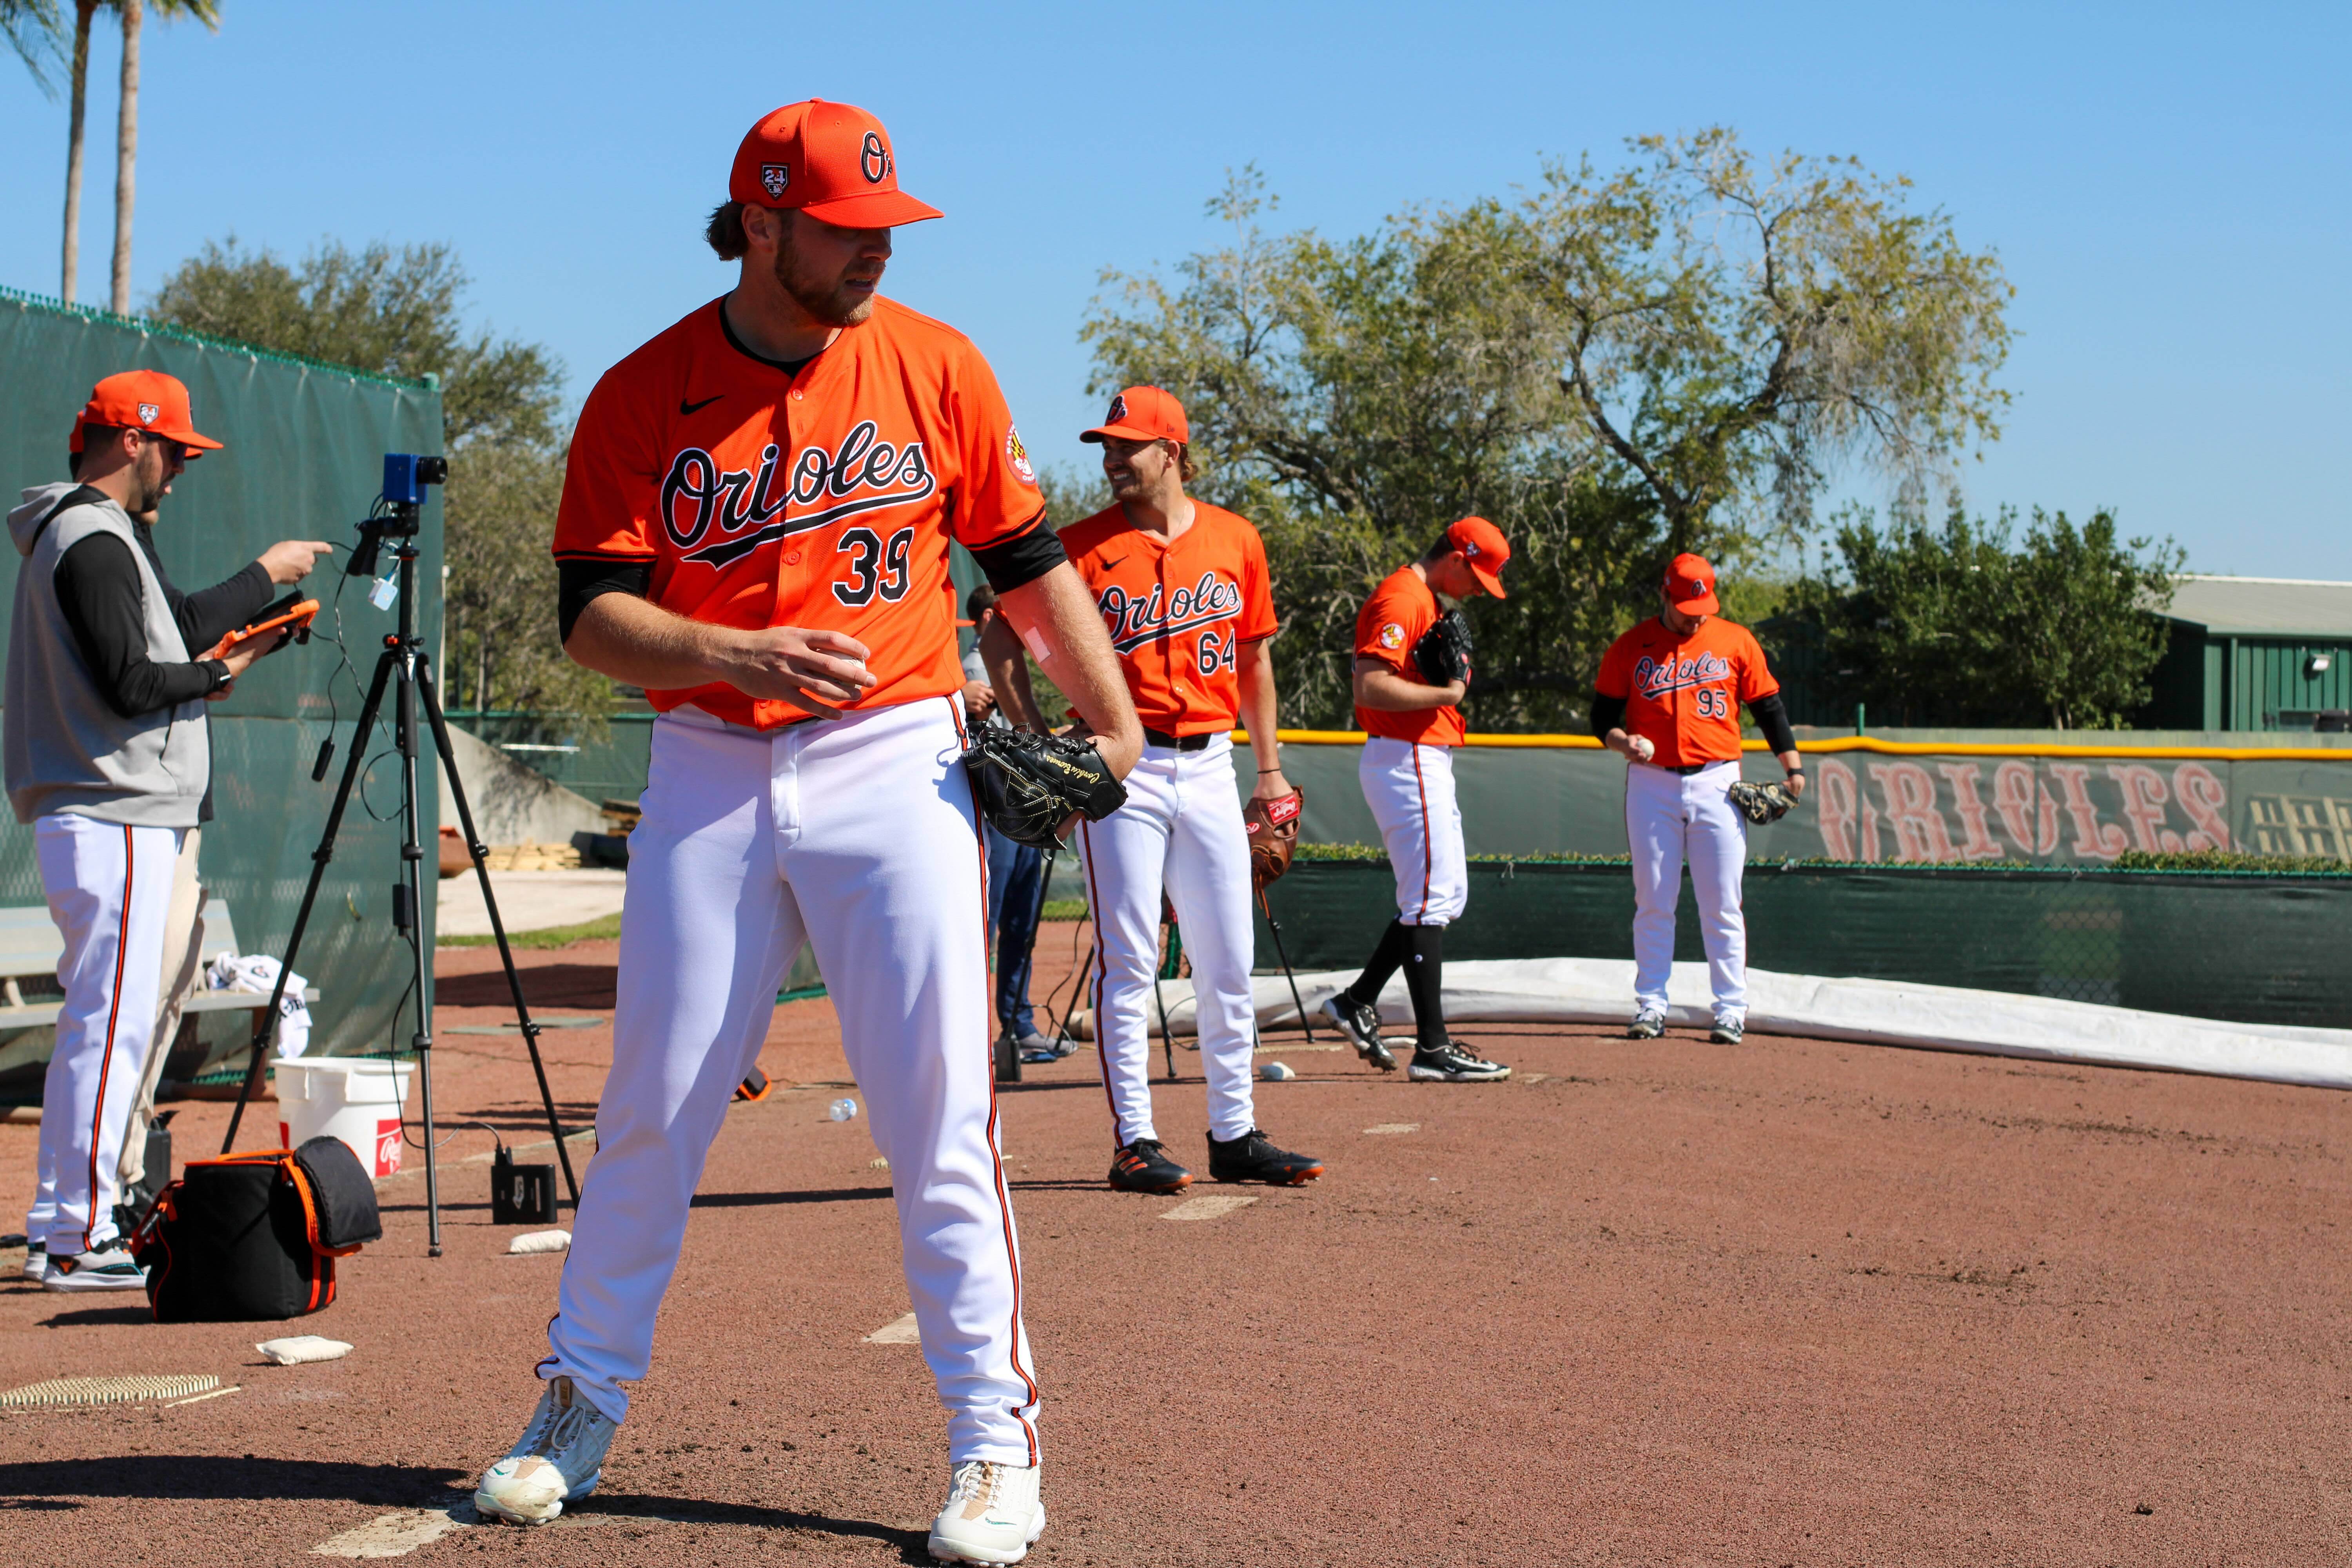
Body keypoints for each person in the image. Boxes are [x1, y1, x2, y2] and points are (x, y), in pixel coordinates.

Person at [475, 102, 1142, 1568]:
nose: (874, 254)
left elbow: (1024, 563)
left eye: (886, 228)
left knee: (934, 1115)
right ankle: (577, 1399)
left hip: (895, 755)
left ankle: (992, 1439)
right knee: (654, 1098)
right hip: (710, 760)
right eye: (848, 229)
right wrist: (736, 650)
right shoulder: (644, 390)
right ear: (761, 223)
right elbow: (590, 614)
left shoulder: (934, 364)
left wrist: (1117, 723)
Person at [6, 369, 328, 1290]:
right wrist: (219, 674)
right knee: (108, 1023)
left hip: (110, 808)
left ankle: (68, 1224)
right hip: (110, 809)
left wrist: (254, 604)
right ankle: (75, 1232)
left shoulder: (104, 537)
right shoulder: (91, 537)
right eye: (176, 451)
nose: (181, 471)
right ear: (132, 440)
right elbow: (134, 682)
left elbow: (173, 632)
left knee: (104, 1020)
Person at [1049, 385, 1320, 1193]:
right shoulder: (1080, 546)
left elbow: (1255, 659)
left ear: (1172, 451)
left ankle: (1234, 1131)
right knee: (1132, 956)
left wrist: (1267, 769)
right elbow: (1001, 624)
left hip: (1210, 763)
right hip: (1124, 768)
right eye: (1106, 445)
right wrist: (1038, 722)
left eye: (1127, 445)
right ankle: (1134, 1137)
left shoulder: (1236, 539)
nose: (1111, 459)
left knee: (1228, 958)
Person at [1318, 519, 1514, 1083]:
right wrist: (1449, 693)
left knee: (1443, 895)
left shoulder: (1422, 598)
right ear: (1455, 556)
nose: (1479, 588)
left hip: (1419, 756)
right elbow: (1370, 685)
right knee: (1429, 901)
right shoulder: (1402, 598)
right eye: (1477, 575)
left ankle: (1357, 1001)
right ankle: (1432, 1048)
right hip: (1406, 756)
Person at [1590, 552, 1804, 1044]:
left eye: (1704, 604)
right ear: (1664, 596)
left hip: (1718, 781)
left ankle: (1731, 1008)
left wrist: (1792, 765)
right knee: (1654, 899)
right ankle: (1651, 1005)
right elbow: (1601, 714)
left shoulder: (1735, 640)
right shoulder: (1631, 646)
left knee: (1723, 901)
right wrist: (1622, 742)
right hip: (1652, 782)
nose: (1697, 614)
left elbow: (1768, 705)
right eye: (1688, 605)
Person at [961, 584, 1054, 1064]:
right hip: (990, 815)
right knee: (988, 924)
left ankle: (1018, 1026)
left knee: (1022, 921)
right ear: (986, 620)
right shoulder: (965, 671)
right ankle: (974, 1035)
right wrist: (958, 695)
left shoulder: (1012, 665)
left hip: (1024, 810)